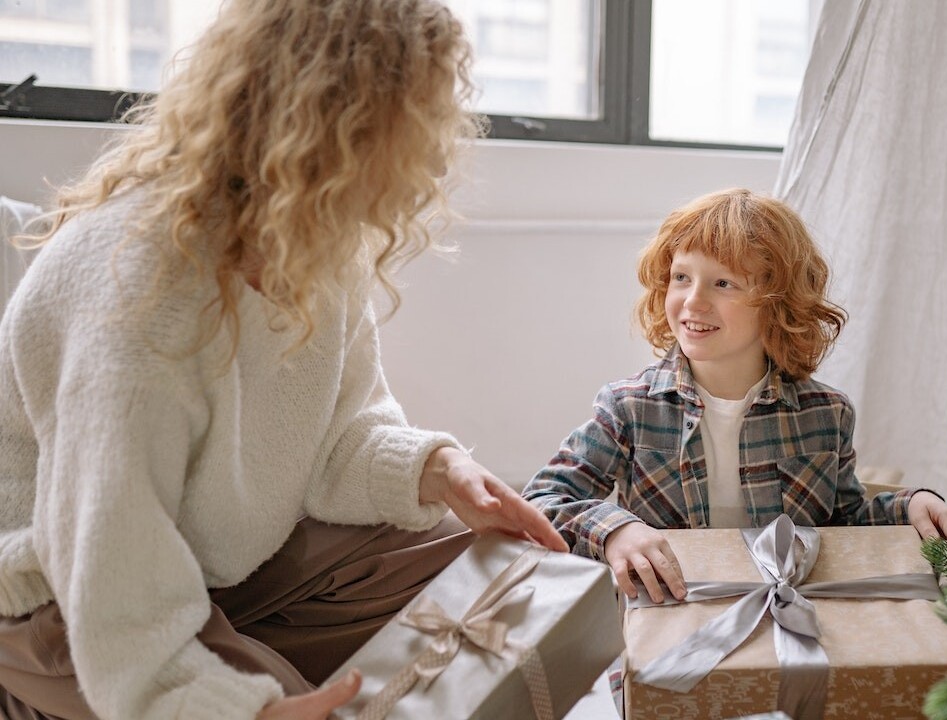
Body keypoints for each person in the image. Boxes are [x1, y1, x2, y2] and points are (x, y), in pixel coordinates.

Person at [0, 1, 568, 719]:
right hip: (67, 594)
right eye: (421, 121)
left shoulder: (318, 240)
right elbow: (111, 556)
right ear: (341, 119)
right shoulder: (138, 288)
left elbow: (338, 436)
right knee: (291, 708)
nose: (433, 151)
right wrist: (239, 706)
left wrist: (435, 470)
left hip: (216, 564)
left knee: (502, 586)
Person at [523, 188, 947, 605]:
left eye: (723, 284)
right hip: (670, 621)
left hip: (789, 620)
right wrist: (615, 529)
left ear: (777, 302)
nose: (693, 301)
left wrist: (910, 506)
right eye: (681, 277)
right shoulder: (629, 408)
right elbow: (541, 502)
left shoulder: (826, 414)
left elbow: (842, 520)